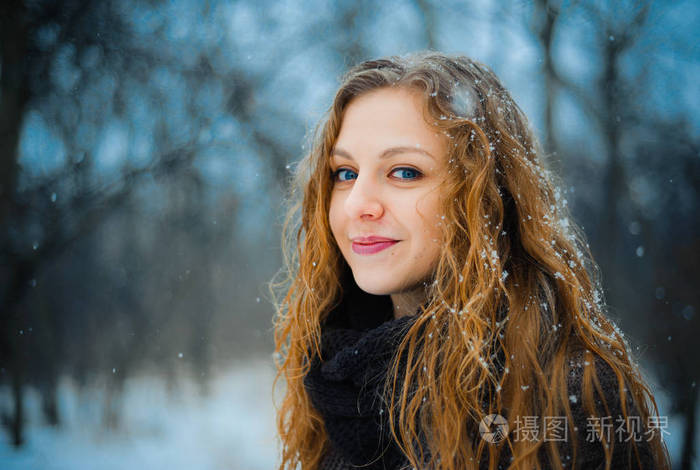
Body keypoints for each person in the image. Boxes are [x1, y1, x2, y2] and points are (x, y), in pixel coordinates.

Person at [270, 52, 671, 470]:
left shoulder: (566, 394)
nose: (357, 204)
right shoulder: (334, 375)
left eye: (404, 172)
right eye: (345, 173)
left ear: (486, 196)